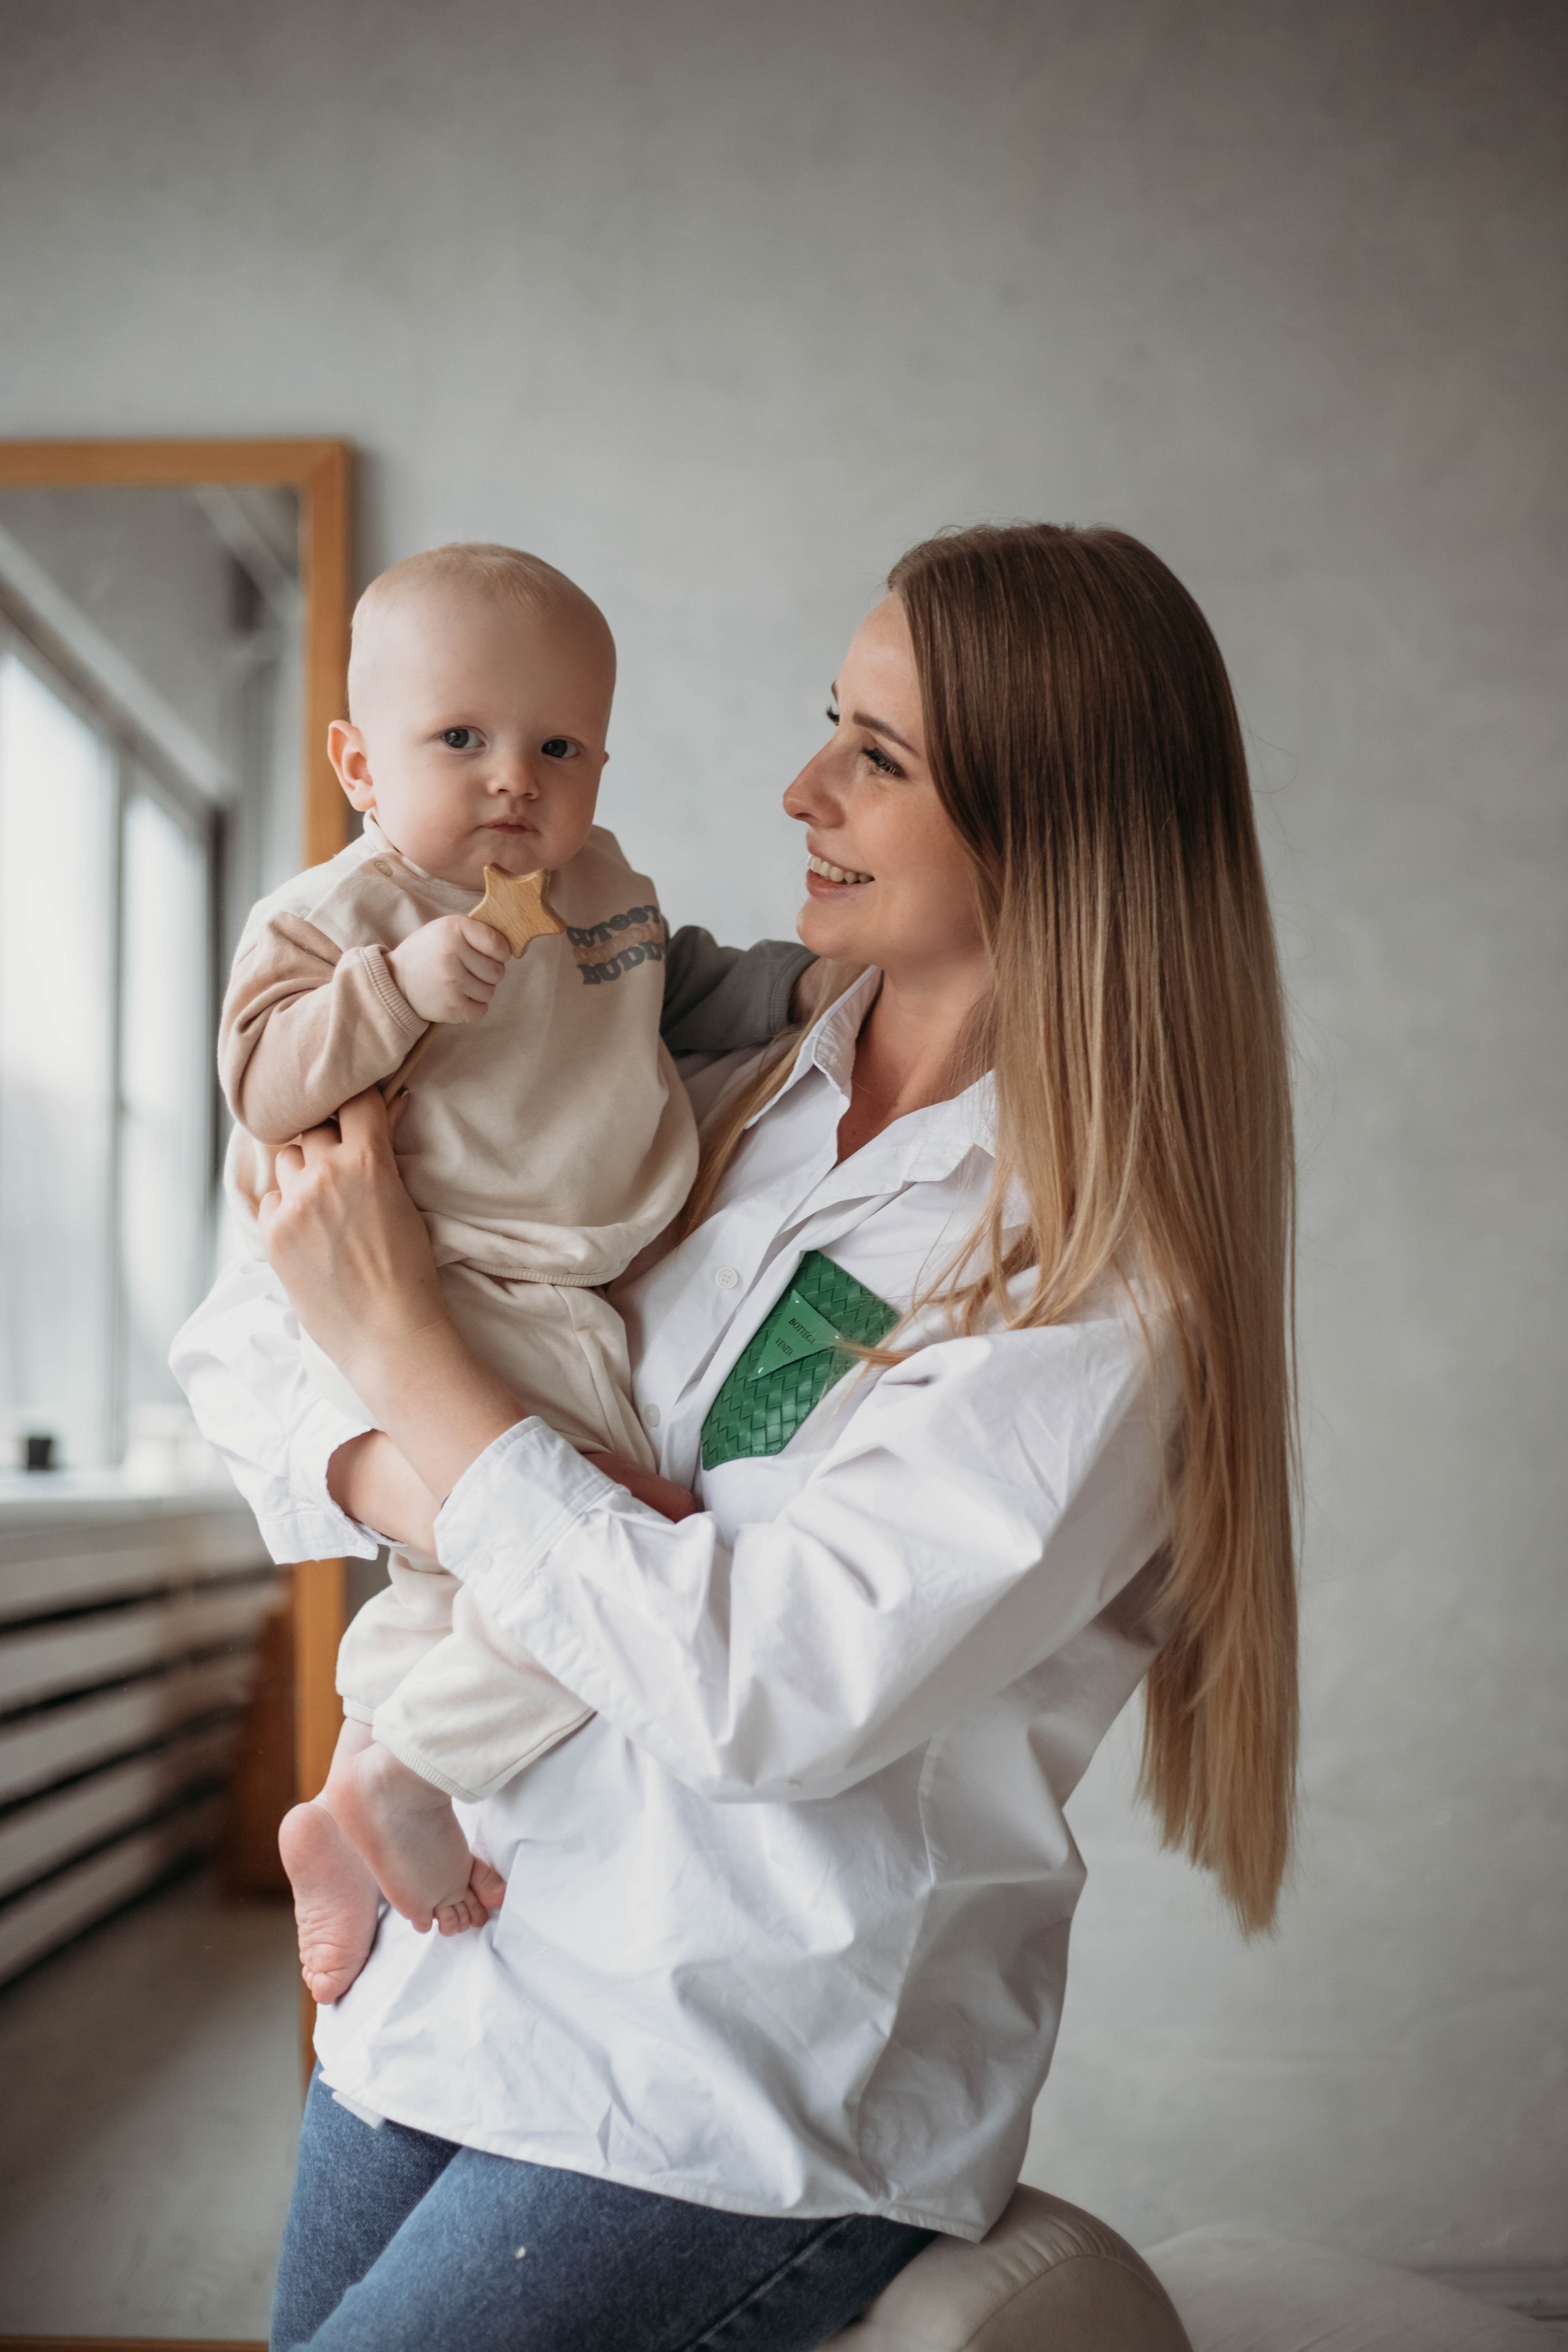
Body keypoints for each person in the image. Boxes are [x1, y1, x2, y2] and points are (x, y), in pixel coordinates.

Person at [174, 522, 1299, 2352]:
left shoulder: (1097, 1293)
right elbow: (244, 1326)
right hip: (445, 1986)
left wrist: (417, 1367)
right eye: (827, 724)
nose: (800, 788)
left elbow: (760, 1687)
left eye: (879, 756)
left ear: (1055, 829)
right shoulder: (702, 1081)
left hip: (722, 2092)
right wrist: (443, 1480)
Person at [206, 540, 805, 1996]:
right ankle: (408, 1777)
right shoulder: (340, 919)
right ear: (359, 758)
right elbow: (262, 1079)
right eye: (459, 740)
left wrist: (806, 984)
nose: (510, 782)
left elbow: (679, 996)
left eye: (557, 746)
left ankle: (349, 1791)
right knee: (612, 1557)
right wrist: (394, 993)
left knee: (459, 1588)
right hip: (455, 1281)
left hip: (572, 1291)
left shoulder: (599, 889)